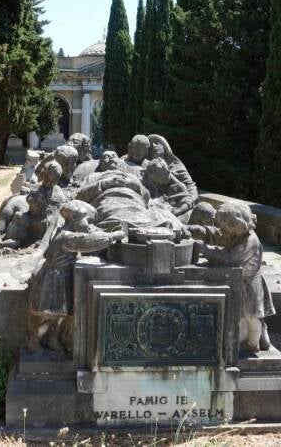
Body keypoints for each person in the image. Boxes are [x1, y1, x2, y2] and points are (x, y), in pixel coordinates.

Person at [27, 200, 126, 353]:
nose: (87, 224)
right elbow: (87, 241)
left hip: (62, 277)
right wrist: (113, 236)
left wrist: (107, 229)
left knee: (62, 314)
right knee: (49, 314)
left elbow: (89, 231)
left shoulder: (67, 230)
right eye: (85, 219)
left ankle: (54, 339)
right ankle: (35, 341)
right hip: (53, 279)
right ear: (73, 219)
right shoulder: (67, 237)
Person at [191, 202, 274, 353]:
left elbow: (230, 258)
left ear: (235, 224)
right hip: (239, 283)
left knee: (252, 316)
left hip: (250, 285)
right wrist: (201, 234)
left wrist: (205, 250)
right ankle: (245, 342)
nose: (221, 230)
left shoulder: (250, 241)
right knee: (240, 316)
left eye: (224, 226)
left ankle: (253, 343)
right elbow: (219, 239)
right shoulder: (236, 236)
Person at [148, 134, 198, 203]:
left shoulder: (177, 166)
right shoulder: (147, 168)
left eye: (157, 143)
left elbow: (191, 188)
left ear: (165, 147)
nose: (154, 146)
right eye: (150, 147)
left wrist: (189, 201)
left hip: (180, 201)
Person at [141, 158, 195, 222]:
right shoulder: (158, 182)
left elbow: (189, 201)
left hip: (174, 214)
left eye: (160, 179)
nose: (157, 183)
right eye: (155, 181)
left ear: (168, 173)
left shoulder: (178, 187)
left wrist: (178, 211)